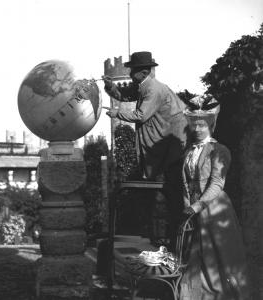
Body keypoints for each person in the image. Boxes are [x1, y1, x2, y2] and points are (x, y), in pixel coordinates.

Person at [103, 51, 188, 247]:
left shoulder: (153, 89)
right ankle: (160, 237)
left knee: (170, 192)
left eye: (133, 71)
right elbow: (124, 95)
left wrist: (117, 113)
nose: (131, 74)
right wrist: (110, 86)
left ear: (143, 72)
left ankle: (174, 240)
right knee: (159, 191)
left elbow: (141, 115)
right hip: (162, 144)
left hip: (171, 145)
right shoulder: (143, 86)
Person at [179, 95, 249, 300]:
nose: (198, 129)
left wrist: (198, 205)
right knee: (197, 257)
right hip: (194, 209)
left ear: (211, 125)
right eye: (195, 125)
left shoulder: (219, 151)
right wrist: (187, 205)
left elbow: (217, 183)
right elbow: (185, 182)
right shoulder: (189, 152)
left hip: (215, 209)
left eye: (202, 125)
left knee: (220, 258)